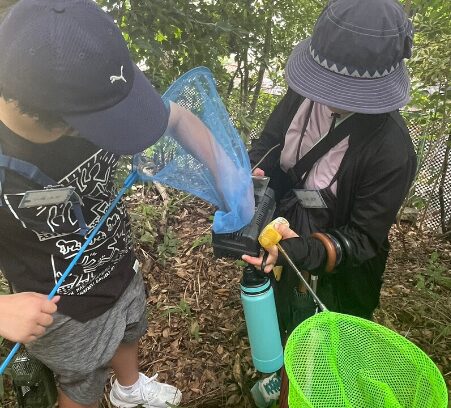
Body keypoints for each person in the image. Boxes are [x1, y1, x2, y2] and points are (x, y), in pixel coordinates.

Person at [0, 0, 236, 407]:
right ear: (65, 122)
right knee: (82, 381)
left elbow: (176, 118)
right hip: (59, 310)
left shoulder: (91, 87)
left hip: (117, 264)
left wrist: (229, 175)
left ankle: (129, 389)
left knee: (129, 325)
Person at [242, 0, 417, 406]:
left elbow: (362, 238)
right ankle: (283, 371)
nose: (330, 97)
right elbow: (269, 144)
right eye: (327, 85)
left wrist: (296, 249)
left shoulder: (392, 150)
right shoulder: (303, 93)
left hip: (340, 265)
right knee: (284, 321)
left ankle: (311, 386)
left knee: (330, 346)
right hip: (286, 215)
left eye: (344, 91)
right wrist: (255, 178)